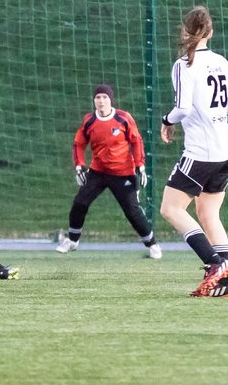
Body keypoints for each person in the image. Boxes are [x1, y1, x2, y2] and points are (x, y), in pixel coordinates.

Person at [159, 6, 228, 297]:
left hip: (201, 153)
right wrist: (214, 115)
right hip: (225, 151)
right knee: (208, 214)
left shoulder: (185, 64)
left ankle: (214, 263)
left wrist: (166, 121)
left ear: (186, 31)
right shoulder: (220, 61)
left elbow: (181, 108)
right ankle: (226, 282)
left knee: (170, 209)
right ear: (210, 31)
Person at [57, 84, 160, 258]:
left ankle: (153, 245)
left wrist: (140, 165)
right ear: (94, 100)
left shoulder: (123, 118)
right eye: (98, 97)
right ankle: (73, 241)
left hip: (123, 173)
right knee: (79, 203)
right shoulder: (89, 120)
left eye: (105, 97)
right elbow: (79, 143)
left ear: (111, 100)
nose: (101, 101)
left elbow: (136, 141)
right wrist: (79, 165)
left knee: (132, 210)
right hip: (98, 172)